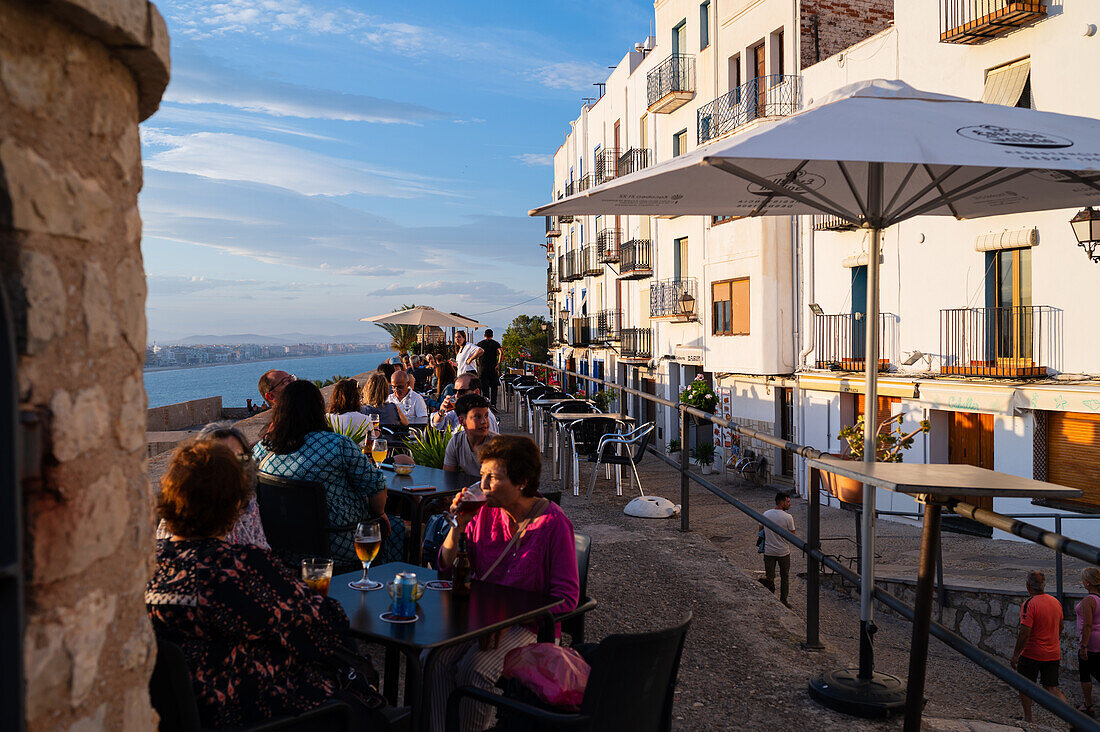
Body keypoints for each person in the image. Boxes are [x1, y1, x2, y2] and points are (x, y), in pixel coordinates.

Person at [147, 438, 378, 728]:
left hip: (181, 716)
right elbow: (324, 629)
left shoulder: (146, 568)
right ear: (233, 504)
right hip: (252, 715)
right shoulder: (239, 568)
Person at [428, 434, 579, 731]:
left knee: (474, 670)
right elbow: (445, 570)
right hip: (483, 621)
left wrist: (506, 621)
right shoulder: (484, 514)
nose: (482, 486)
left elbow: (567, 598)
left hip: (530, 626)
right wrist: (457, 527)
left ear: (521, 481)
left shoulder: (552, 524)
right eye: (481, 476)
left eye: (492, 478)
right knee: (433, 660)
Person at [252, 379, 403, 566]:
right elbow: (377, 488)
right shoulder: (338, 445)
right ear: (318, 409)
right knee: (396, 528)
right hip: (339, 543)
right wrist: (380, 514)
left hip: (283, 548)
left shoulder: (262, 449)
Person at [155, 422, 269, 550]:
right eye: (218, 459)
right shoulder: (183, 504)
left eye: (238, 458)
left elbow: (260, 544)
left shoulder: (248, 500)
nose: (228, 466)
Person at [1012, 570, 1066, 721]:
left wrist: (1016, 654)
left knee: (1025, 685)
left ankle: (1028, 718)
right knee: (1051, 688)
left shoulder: (1029, 604)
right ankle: (1072, 720)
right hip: (1053, 653)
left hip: (1031, 653)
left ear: (1028, 585)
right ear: (1044, 585)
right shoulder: (1055, 602)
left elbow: (1024, 632)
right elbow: (1061, 627)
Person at [443, 394, 496, 477]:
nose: (484, 421)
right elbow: (449, 477)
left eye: (486, 416)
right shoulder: (456, 442)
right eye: (477, 417)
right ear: (461, 420)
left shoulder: (496, 445)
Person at [759, 492, 795, 608]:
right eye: (788, 502)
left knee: (770, 577)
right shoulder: (788, 517)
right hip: (783, 551)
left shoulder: (766, 514)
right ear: (782, 502)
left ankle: (771, 600)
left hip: (769, 551)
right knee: (785, 576)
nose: (789, 504)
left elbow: (760, 530)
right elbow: (792, 534)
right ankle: (783, 600)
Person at [431, 373, 498, 433]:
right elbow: (437, 425)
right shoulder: (460, 409)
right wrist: (441, 411)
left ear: (476, 392)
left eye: (462, 391)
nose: (456, 395)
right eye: (455, 391)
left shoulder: (484, 418)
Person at [1077, 567, 1100, 716]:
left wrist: (1083, 646)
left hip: (1090, 642)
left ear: (1088, 584)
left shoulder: (1089, 600)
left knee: (1086, 674)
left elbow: (1087, 624)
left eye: (1084, 580)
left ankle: (1088, 704)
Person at [475, 329, 503, 406]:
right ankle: (493, 404)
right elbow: (501, 352)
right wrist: (498, 364)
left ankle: (486, 404)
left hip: (483, 368)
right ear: (492, 335)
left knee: (484, 388)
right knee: (494, 387)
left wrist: (477, 362)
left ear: (484, 335)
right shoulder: (495, 343)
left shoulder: (480, 344)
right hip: (493, 368)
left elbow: (475, 353)